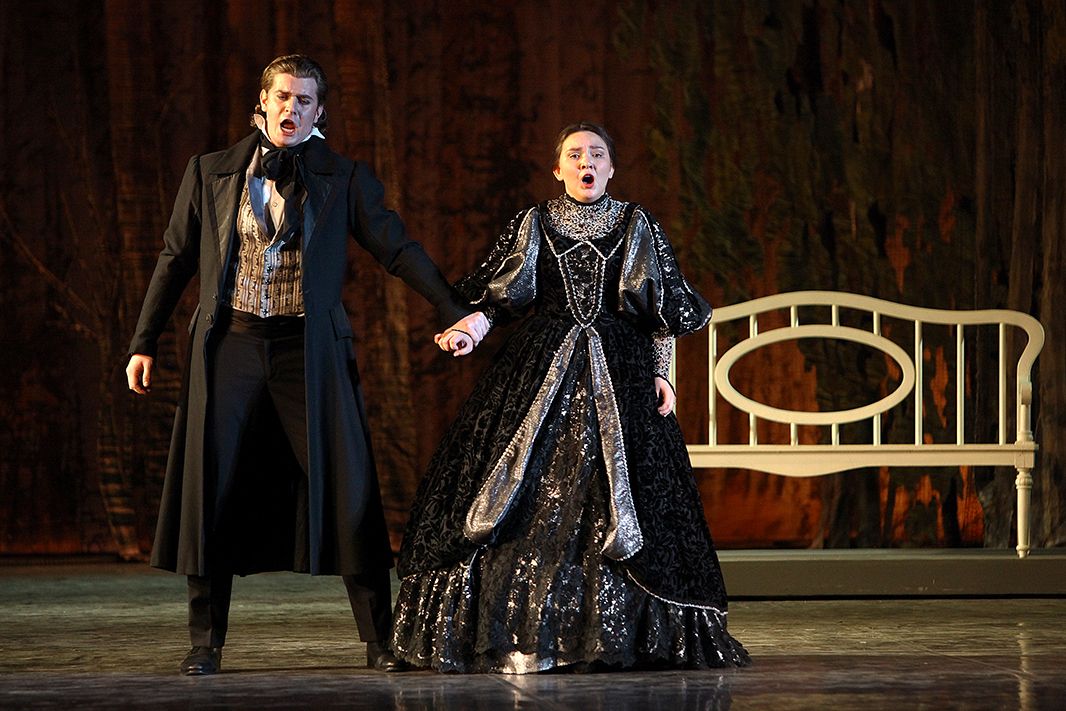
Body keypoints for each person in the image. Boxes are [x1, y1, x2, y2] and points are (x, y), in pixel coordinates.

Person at [125, 54, 487, 676]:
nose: (292, 108)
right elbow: (175, 257)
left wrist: (456, 310)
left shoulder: (342, 176)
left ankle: (380, 639)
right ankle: (205, 642)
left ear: (319, 112)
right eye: (283, 97)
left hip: (307, 349)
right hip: (231, 345)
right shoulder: (210, 171)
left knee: (347, 483)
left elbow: (397, 248)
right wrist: (144, 340)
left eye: (305, 100)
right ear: (262, 104)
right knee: (211, 485)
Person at [390, 122, 751, 672]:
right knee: (521, 488)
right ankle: (525, 635)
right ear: (558, 169)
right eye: (575, 155)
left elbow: (659, 313)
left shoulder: (636, 224)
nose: (587, 163)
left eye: (597, 154)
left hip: (622, 369)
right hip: (542, 363)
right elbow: (500, 299)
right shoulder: (535, 222)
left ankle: (620, 635)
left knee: (627, 493)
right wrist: (469, 329)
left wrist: (663, 375)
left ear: (611, 168)